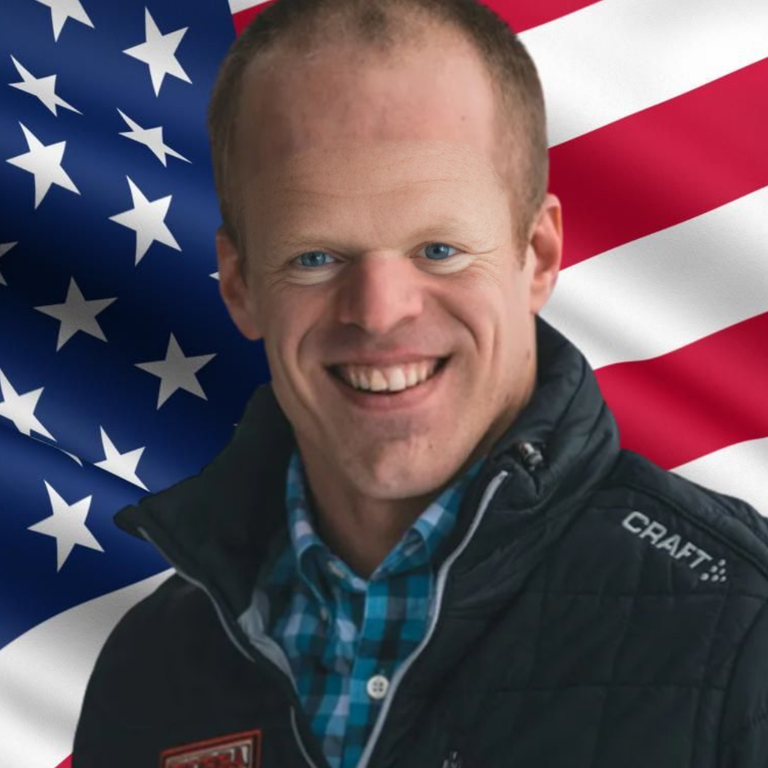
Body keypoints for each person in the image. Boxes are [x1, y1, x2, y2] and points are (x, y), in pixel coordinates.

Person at [72, 0, 768, 766]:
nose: (378, 313)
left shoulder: (747, 630)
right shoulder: (149, 672)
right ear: (239, 284)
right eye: (315, 257)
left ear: (537, 256)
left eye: (439, 249)